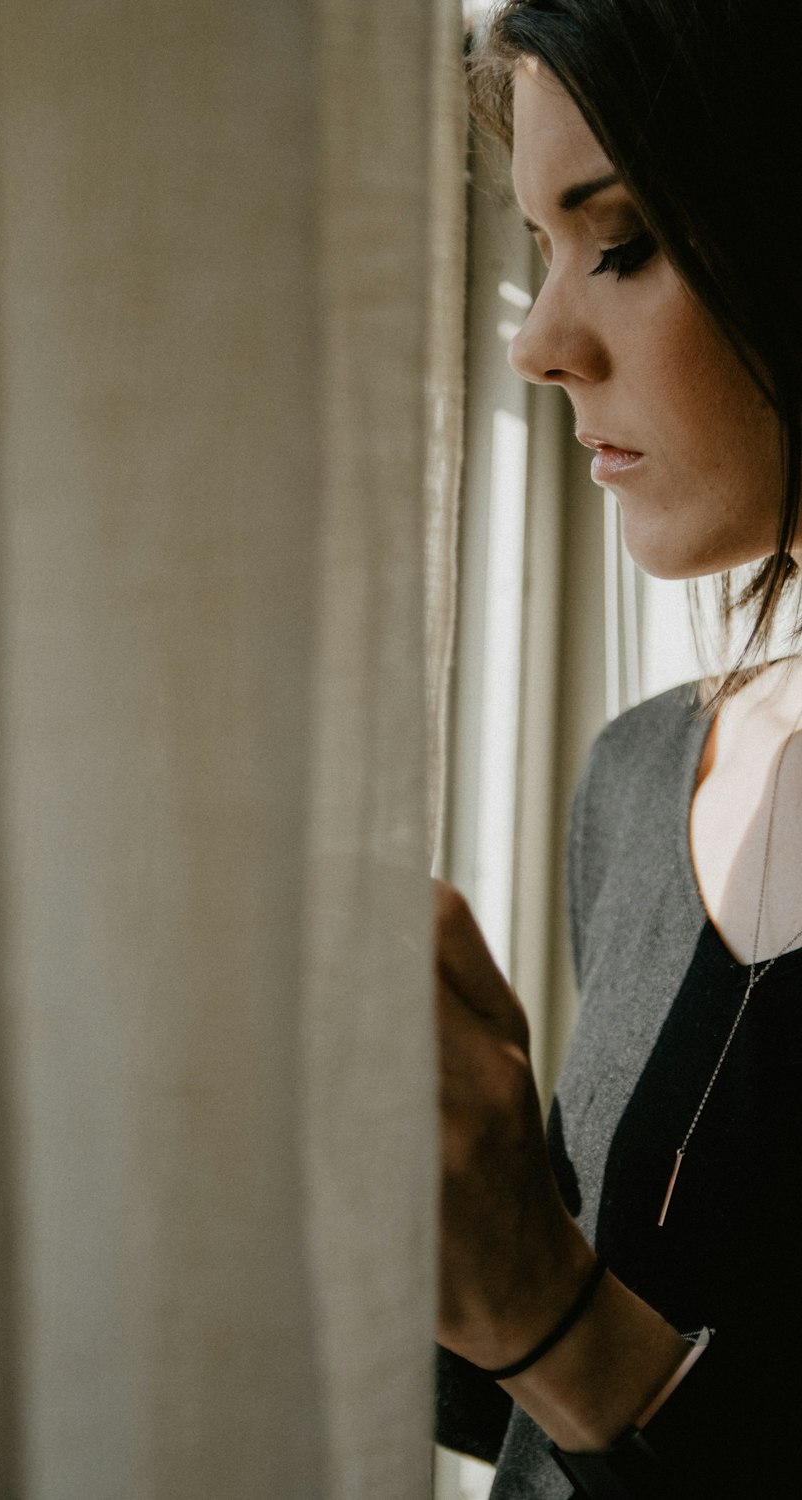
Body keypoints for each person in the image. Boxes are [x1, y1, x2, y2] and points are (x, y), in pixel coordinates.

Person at [434, 2, 802, 1496]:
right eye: (538, 248)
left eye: (626, 238)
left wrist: (551, 1312)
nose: (535, 340)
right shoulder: (643, 778)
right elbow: (565, 1433)